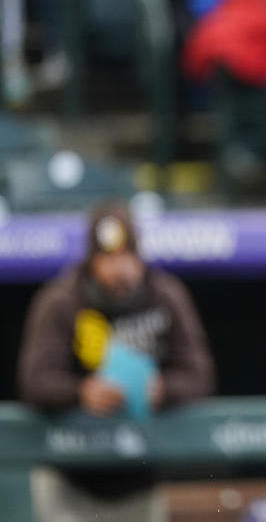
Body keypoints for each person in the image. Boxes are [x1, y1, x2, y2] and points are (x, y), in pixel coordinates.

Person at [18, 200, 216, 522]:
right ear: (91, 261)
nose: (119, 269)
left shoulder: (165, 295)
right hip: (71, 478)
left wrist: (163, 389)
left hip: (141, 481)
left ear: (140, 257)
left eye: (127, 256)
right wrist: (81, 392)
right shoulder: (61, 301)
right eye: (108, 258)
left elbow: (199, 374)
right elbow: (35, 382)